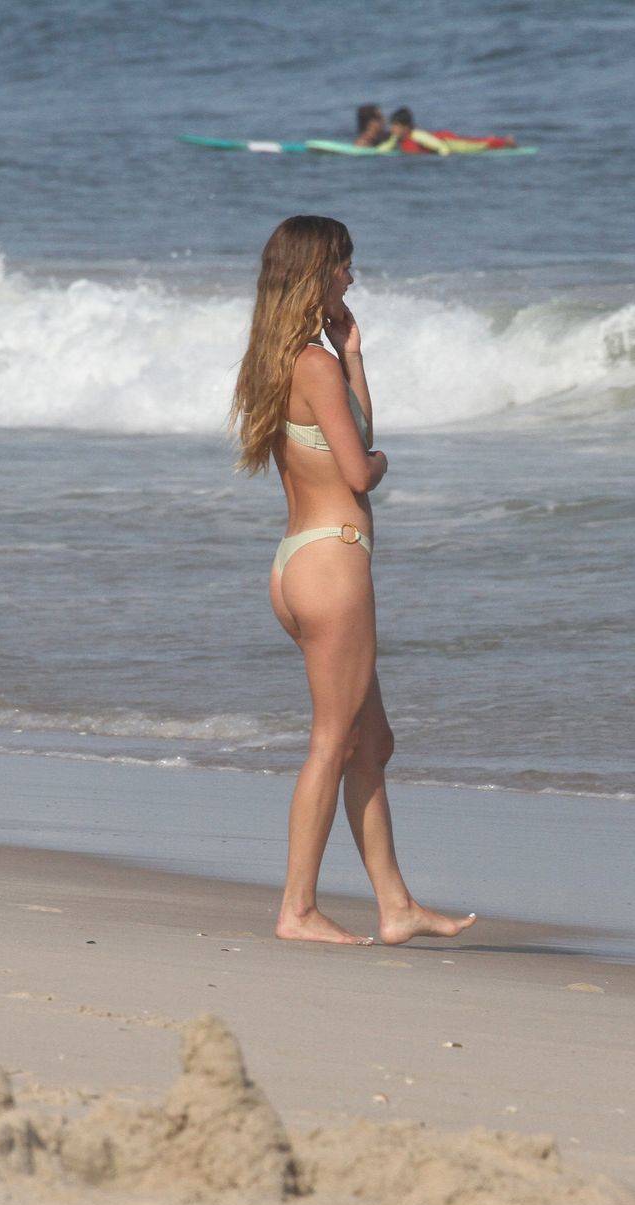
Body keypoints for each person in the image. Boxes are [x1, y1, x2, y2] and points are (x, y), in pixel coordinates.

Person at [229, 215, 477, 948]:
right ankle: (297, 909)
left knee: (371, 742)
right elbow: (358, 465)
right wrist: (384, 462)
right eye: (343, 266)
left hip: (298, 561)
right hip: (334, 564)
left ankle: (395, 905)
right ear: (316, 273)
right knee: (333, 741)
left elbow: (337, 439)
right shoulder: (314, 364)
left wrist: (354, 353)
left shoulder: (277, 359)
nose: (351, 278)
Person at [376, 106, 515, 155]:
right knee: (474, 141)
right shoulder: (398, 137)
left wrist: (445, 159)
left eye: (394, 125)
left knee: (474, 145)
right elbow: (386, 147)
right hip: (441, 139)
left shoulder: (417, 136)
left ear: (405, 127)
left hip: (447, 141)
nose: (391, 128)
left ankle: (504, 142)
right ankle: (492, 139)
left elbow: (441, 147)